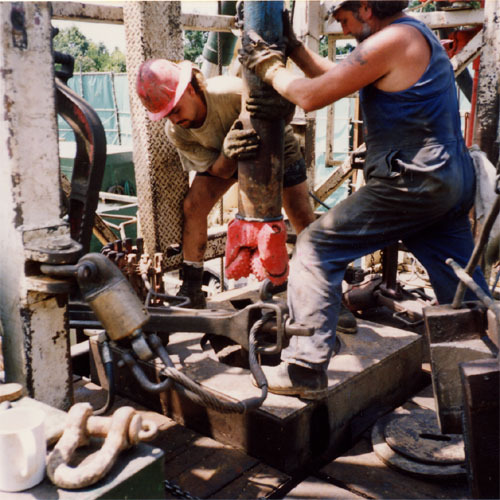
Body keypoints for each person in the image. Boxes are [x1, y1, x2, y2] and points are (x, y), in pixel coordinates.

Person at [239, 0, 491, 399]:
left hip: (414, 184)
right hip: (447, 183)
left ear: (367, 9)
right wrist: (294, 48)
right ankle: (489, 377)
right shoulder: (411, 34)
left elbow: (310, 96)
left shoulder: (391, 40)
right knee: (464, 293)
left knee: (317, 245)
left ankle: (306, 367)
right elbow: (337, 77)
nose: (343, 26)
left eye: (344, 19)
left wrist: (266, 66)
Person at [135, 57, 358, 331]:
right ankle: (191, 291)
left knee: (302, 220)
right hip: (226, 159)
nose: (174, 118)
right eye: (166, 114)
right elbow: (216, 171)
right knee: (194, 206)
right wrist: (228, 152)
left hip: (277, 148)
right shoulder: (177, 131)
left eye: (175, 109)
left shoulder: (229, 92)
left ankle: (332, 301)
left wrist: (285, 107)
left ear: (190, 89)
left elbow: (277, 112)